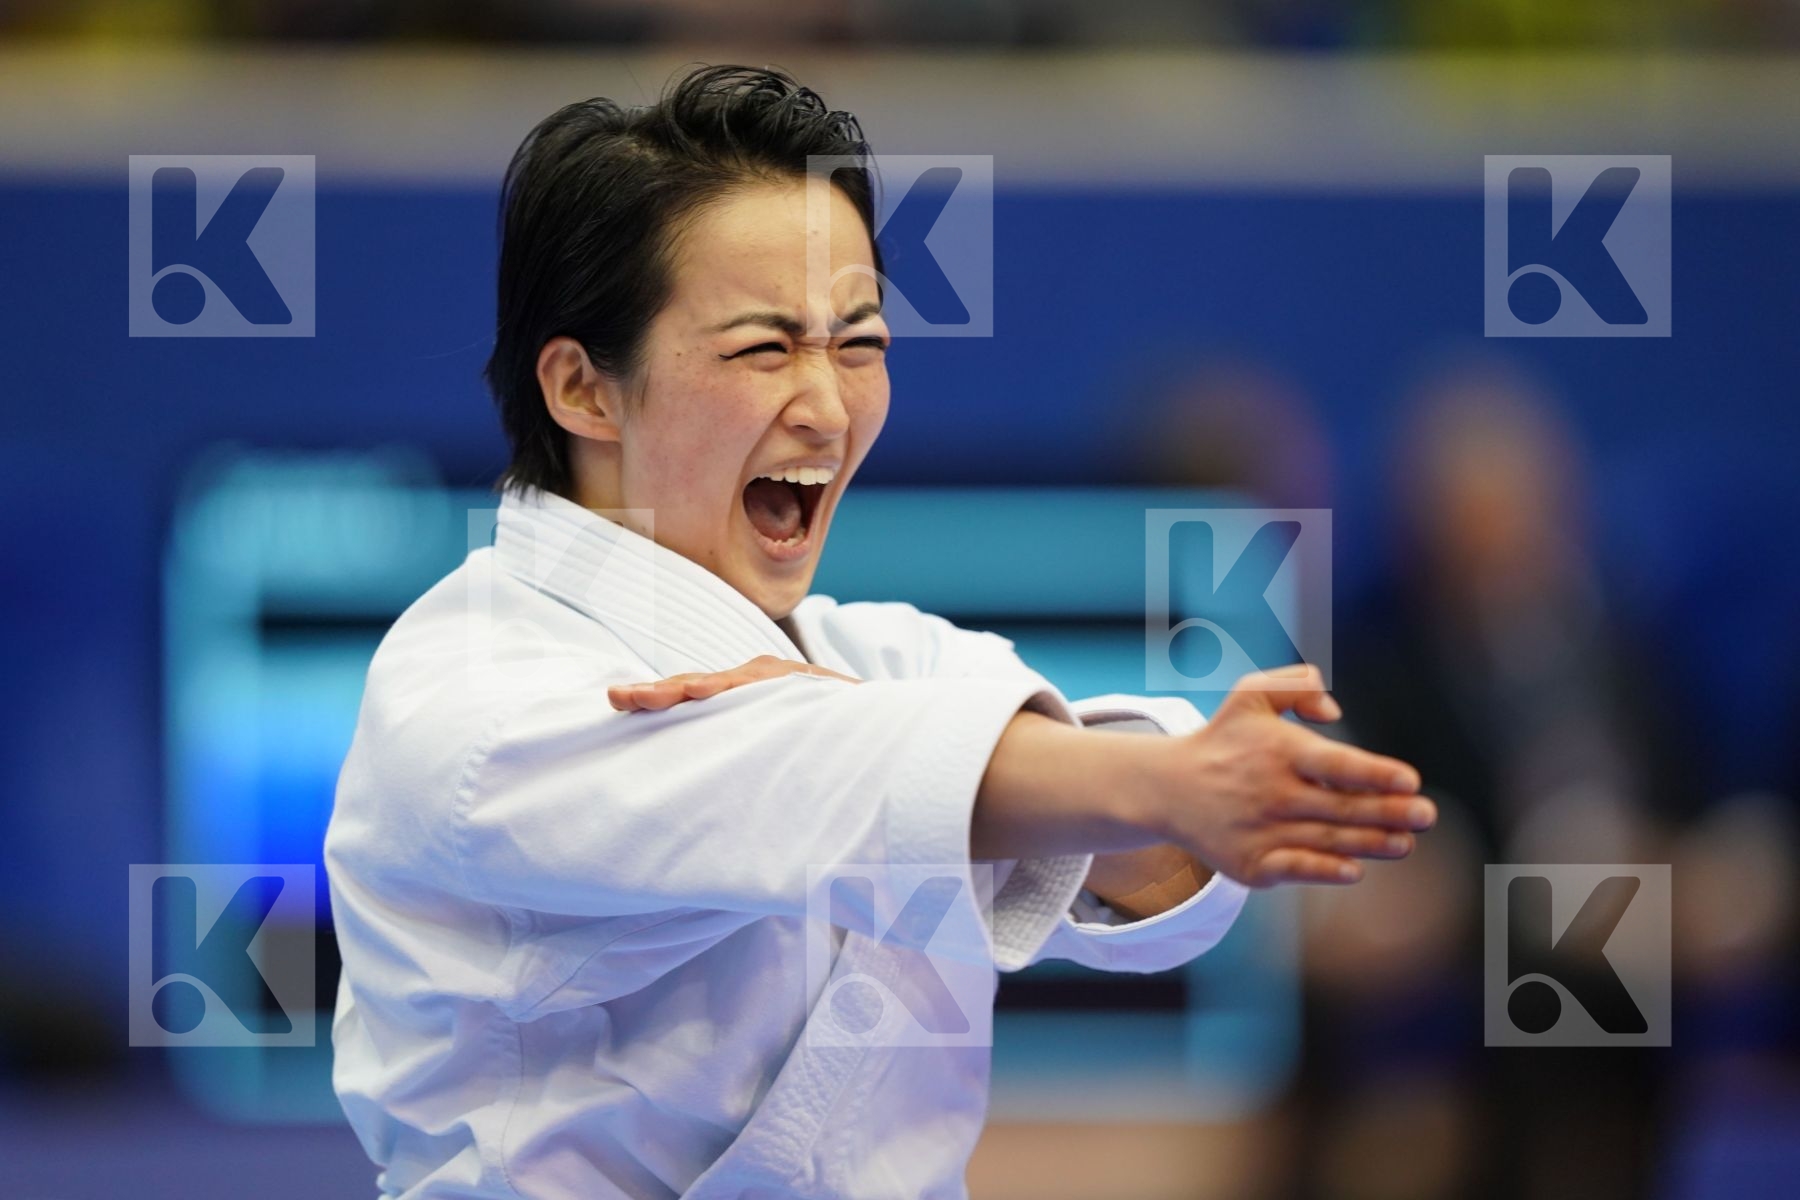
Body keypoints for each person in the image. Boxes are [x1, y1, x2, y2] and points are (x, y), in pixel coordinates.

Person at [323, 64, 1434, 1200]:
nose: (828, 406)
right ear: (584, 389)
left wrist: (1171, 794)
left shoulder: (885, 661)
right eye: (764, 349)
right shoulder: (473, 694)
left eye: (858, 344)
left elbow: (1151, 878)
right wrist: (1155, 783)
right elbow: (811, 775)